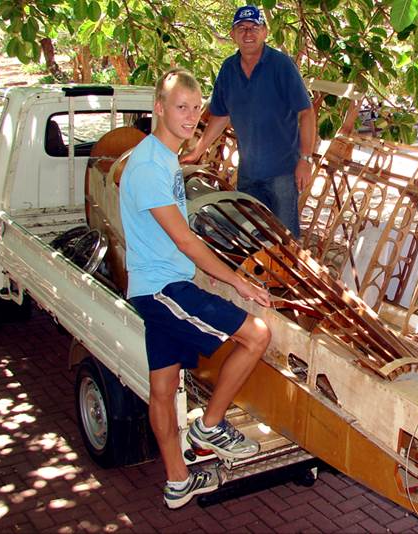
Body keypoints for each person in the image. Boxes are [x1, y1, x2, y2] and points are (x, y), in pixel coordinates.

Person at [119, 68, 272, 510]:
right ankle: (210, 426)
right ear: (159, 109)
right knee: (256, 334)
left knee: (163, 391)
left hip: (156, 284)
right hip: (163, 288)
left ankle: (177, 481)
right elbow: (184, 240)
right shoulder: (149, 166)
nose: (191, 116)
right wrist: (236, 280)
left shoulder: (163, 157)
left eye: (196, 107)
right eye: (181, 107)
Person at [181, 5, 315, 238]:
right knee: (250, 235)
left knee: (285, 240)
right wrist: (198, 150)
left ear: (264, 32)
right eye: (241, 28)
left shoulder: (281, 66)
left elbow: (307, 113)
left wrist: (305, 159)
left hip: (282, 172)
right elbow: (221, 115)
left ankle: (288, 275)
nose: (248, 33)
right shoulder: (229, 69)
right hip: (248, 173)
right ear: (233, 35)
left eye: (254, 27)